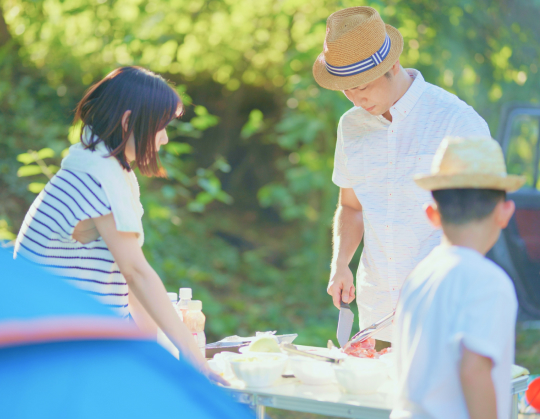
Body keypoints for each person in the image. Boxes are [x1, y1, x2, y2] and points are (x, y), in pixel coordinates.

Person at [13, 66, 219, 381]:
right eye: (161, 127)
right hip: (56, 352)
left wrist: (162, 351)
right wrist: (194, 362)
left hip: (64, 342)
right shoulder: (97, 178)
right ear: (127, 122)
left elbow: (126, 277)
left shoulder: (96, 165)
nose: (163, 139)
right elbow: (137, 274)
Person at [312, 6, 491, 348]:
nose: (356, 98)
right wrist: (340, 263)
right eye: (346, 90)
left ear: (392, 66)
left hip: (443, 313)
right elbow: (351, 206)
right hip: (376, 313)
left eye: (363, 86)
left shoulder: (456, 122)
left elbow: (483, 220)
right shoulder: (351, 126)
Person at [0, 248, 251, 418]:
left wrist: (151, 357)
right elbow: (136, 274)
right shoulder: (104, 178)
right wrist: (189, 359)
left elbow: (131, 282)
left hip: (97, 346)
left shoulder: (121, 186)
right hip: (80, 349)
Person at [391, 136, 525, 419]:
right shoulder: (489, 281)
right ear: (505, 212)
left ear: (432, 214)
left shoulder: (418, 276)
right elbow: (474, 371)